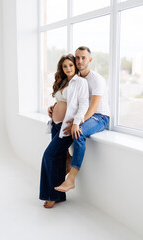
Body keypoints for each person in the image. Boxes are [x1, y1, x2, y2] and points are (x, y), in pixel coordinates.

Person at [54, 46, 110, 193]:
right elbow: (69, 100)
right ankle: (67, 157)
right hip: (84, 114)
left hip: (99, 116)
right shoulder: (75, 79)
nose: (79, 61)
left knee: (78, 132)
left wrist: (77, 122)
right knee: (56, 124)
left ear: (89, 60)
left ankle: (71, 179)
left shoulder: (96, 79)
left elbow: (94, 106)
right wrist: (54, 108)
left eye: (83, 57)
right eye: (77, 57)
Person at [39, 54, 89, 208]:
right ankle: (58, 195)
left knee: (49, 155)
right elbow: (61, 102)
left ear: (75, 66)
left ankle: (51, 195)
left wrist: (76, 123)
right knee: (58, 158)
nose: (68, 68)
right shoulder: (63, 82)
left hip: (66, 127)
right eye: (65, 66)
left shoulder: (80, 82)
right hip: (56, 125)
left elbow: (83, 104)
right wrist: (51, 108)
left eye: (70, 65)